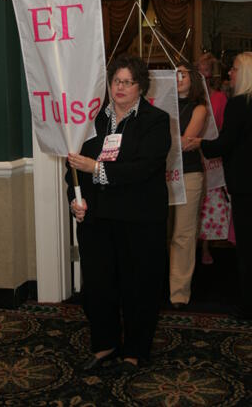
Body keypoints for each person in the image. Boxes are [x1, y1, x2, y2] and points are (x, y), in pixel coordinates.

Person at [66, 54, 171, 371]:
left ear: (141, 86)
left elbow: (142, 169)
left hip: (139, 220)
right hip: (97, 220)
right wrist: (75, 199)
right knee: (99, 287)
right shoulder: (91, 119)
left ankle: (135, 351)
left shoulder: (156, 120)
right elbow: (73, 169)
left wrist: (96, 168)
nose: (120, 87)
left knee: (139, 288)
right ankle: (105, 345)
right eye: (116, 81)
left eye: (128, 81)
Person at [185, 52, 252, 320]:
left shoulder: (239, 104)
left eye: (235, 69)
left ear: (248, 73)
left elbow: (224, 143)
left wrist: (199, 144)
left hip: (246, 185)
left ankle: (250, 306)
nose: (230, 72)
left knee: (249, 248)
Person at [169, 60, 207, 309]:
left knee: (183, 234)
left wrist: (161, 141)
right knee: (158, 231)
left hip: (189, 175)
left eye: (182, 74)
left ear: (193, 79)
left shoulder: (199, 108)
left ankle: (179, 293)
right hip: (160, 175)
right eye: (174, 74)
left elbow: (184, 144)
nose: (177, 77)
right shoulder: (163, 104)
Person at [196, 52, 229, 264]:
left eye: (206, 70)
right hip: (193, 155)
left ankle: (206, 246)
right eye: (199, 69)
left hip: (212, 158)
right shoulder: (191, 99)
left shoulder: (219, 98)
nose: (202, 73)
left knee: (209, 204)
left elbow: (224, 128)